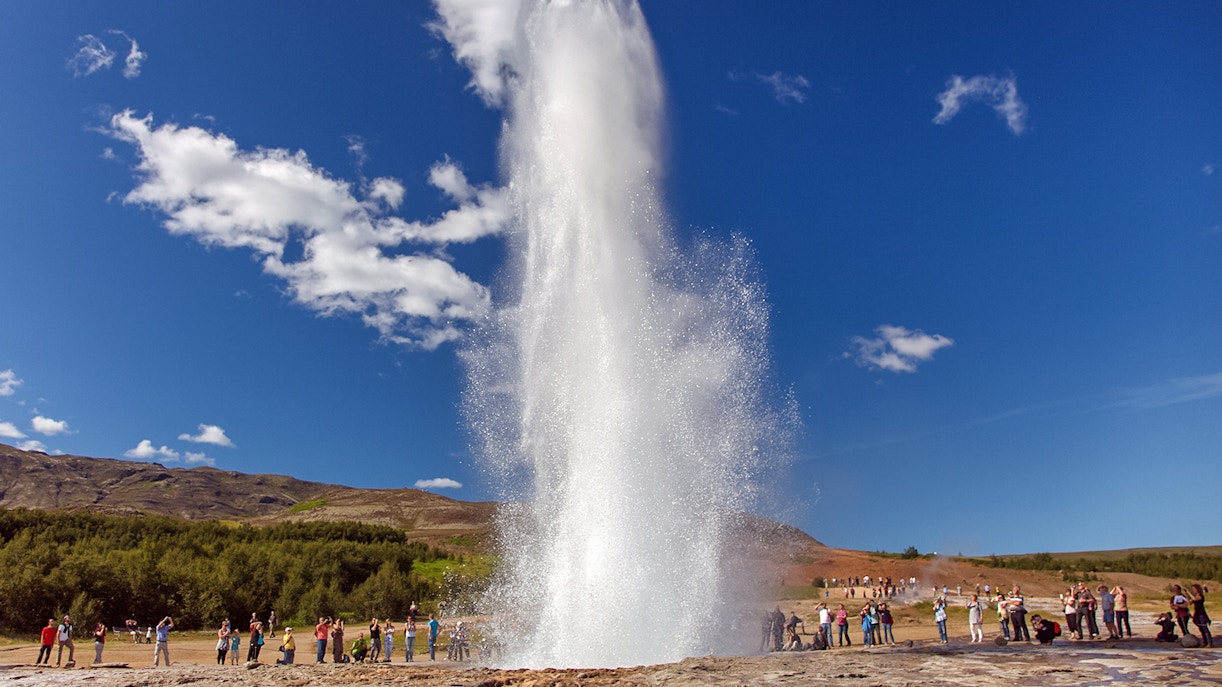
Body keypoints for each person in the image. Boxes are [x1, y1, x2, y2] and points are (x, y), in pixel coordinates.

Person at [1190, 583, 1213, 647]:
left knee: (1204, 628)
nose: (1193, 590)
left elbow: (1195, 599)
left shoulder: (1200, 596)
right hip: (1197, 613)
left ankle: (1209, 642)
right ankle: (1205, 641)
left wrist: (1188, 593)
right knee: (1201, 628)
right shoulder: (1195, 596)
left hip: (1201, 613)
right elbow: (1190, 602)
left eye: (1194, 589)